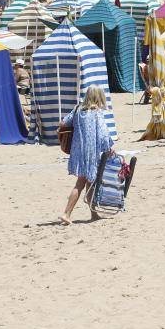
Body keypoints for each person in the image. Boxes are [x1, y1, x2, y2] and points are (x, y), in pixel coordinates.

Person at [59, 85, 113, 225]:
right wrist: (108, 148)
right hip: (90, 153)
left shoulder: (77, 109)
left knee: (89, 183)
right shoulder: (96, 113)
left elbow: (63, 122)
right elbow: (103, 134)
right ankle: (66, 213)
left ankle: (94, 214)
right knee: (82, 183)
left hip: (77, 152)